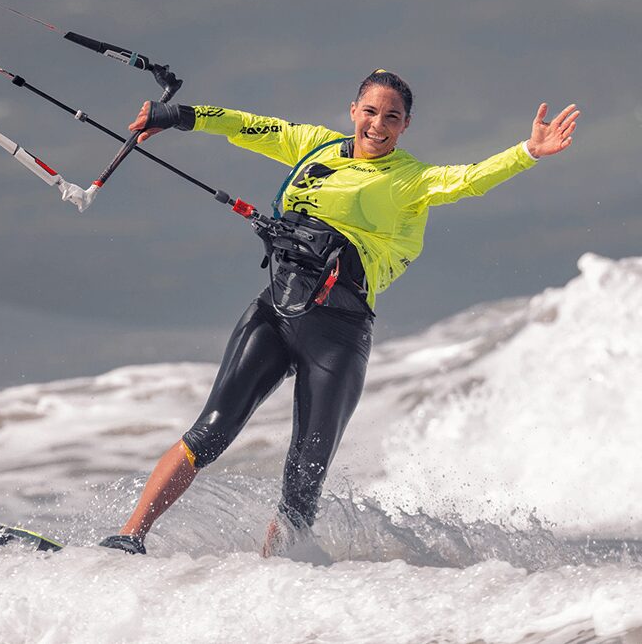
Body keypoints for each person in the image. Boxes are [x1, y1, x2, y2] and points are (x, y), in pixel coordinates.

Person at [97, 70, 578, 557]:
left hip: (339, 335)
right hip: (277, 312)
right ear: (354, 112)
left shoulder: (409, 179)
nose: (378, 124)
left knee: (305, 473)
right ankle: (128, 537)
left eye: (391, 117)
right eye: (370, 111)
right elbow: (248, 126)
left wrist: (527, 152)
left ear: (405, 125)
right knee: (211, 431)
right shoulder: (313, 147)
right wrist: (182, 115)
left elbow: (468, 180)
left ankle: (276, 575)